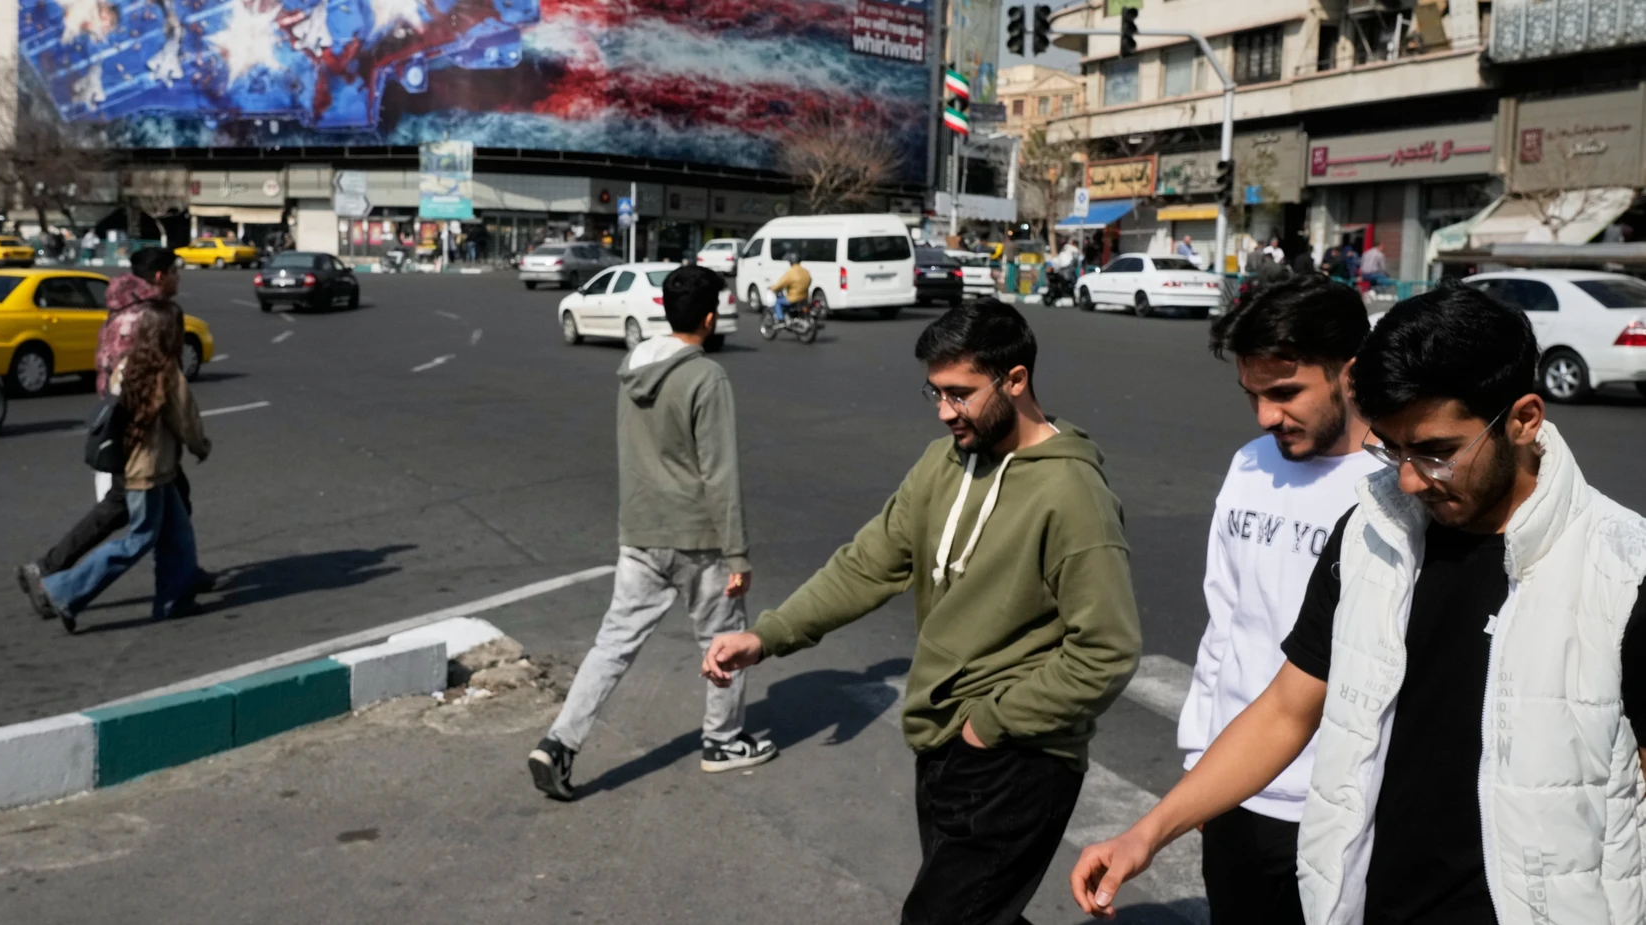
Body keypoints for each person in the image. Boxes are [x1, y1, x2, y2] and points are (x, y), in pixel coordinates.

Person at [1071, 285, 1646, 924]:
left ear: (1524, 419)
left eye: (1436, 452)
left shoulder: (1623, 570)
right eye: (1391, 449)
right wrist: (1148, 832)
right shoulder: (1372, 534)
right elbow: (1288, 708)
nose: (1406, 478)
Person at [704, 300, 1141, 925]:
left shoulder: (1073, 496)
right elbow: (868, 563)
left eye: (959, 394)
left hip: (1019, 758)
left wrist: (991, 723)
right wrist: (766, 637)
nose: (943, 412)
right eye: (933, 392)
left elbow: (1106, 649)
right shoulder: (944, 463)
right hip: (944, 745)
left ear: (1014, 380)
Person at [528, 266, 773, 801]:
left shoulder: (631, 366)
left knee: (613, 644)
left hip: (639, 532)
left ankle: (560, 741)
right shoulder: (707, 378)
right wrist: (738, 554)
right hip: (699, 538)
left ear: (665, 309)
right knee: (721, 641)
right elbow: (720, 471)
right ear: (710, 318)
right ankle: (723, 741)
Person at [1180, 278, 1379, 925]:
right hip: (1235, 788)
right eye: (1254, 395)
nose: (1267, 416)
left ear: (1351, 374)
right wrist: (1197, 767)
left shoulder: (1396, 487)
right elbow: (1226, 618)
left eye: (1285, 392)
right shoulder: (1249, 465)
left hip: (1342, 811)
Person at [16, 247, 213, 592]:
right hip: (145, 428)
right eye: (174, 271)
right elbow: (163, 375)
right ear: (158, 276)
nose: (178, 278)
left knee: (173, 499)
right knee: (125, 511)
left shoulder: (119, 309)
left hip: (119, 417)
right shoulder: (159, 315)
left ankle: (184, 574)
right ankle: (53, 576)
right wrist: (184, 430)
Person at [768, 252, 811, 322]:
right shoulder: (805, 271)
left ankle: (781, 319)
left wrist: (773, 288)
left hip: (793, 298)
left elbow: (781, 284)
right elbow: (809, 280)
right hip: (804, 297)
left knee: (778, 302)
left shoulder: (791, 272)